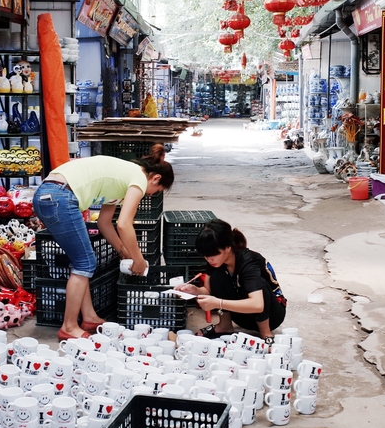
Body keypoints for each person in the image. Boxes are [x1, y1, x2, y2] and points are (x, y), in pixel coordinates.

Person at [33, 145, 173, 339]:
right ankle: (69, 326)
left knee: (82, 261)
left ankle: (89, 316)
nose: (150, 194)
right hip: (60, 197)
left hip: (50, 195)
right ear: (155, 178)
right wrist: (138, 260)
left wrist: (122, 249)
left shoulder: (123, 178)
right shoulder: (139, 179)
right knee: (85, 262)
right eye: (156, 190)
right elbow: (124, 224)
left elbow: (104, 222)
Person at [176, 219, 287, 343]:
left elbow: (258, 305)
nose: (209, 259)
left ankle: (266, 333)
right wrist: (194, 290)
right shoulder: (216, 262)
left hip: (272, 315)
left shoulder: (248, 262)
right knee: (218, 277)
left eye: (212, 254)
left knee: (258, 284)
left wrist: (218, 303)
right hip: (242, 315)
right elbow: (208, 290)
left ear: (227, 248)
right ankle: (225, 326)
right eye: (205, 256)